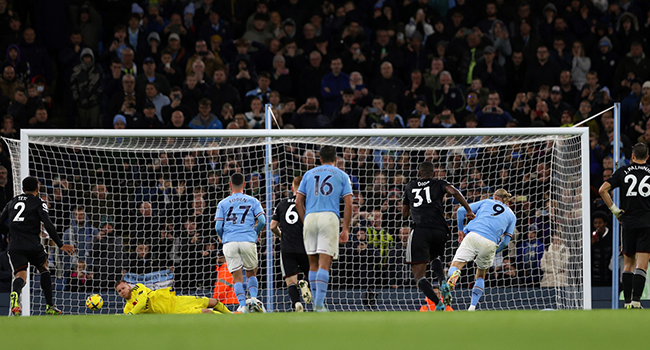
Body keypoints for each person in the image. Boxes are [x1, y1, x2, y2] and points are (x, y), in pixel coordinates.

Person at [402, 161, 475, 312]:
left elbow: (404, 214)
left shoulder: (410, 186)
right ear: (433, 173)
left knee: (419, 277)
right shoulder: (439, 183)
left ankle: (439, 303)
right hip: (440, 229)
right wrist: (468, 209)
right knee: (434, 256)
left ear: (419, 173)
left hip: (421, 229)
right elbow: (454, 191)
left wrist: (415, 207)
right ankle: (442, 281)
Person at [0, 176, 75, 316]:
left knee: (20, 276)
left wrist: (10, 233)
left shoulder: (12, 202)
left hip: (15, 245)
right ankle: (50, 306)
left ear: (22, 189)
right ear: (37, 188)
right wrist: (60, 244)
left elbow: (0, 222)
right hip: (33, 244)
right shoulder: (39, 202)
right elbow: (48, 224)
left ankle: (15, 295)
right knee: (44, 268)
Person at [296, 146, 353, 312]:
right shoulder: (342, 175)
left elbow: (298, 201)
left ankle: (316, 305)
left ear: (319, 159)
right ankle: (319, 305)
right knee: (324, 263)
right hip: (329, 217)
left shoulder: (308, 174)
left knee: (312, 263)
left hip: (311, 217)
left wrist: (305, 219)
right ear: (335, 158)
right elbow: (348, 203)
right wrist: (346, 229)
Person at [443, 189, 516, 311]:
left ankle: (455, 274)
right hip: (490, 243)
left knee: (455, 265)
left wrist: (460, 229)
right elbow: (505, 242)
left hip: (473, 235)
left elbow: (461, 211)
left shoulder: (487, 202)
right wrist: (494, 251)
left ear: (496, 198)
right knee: (481, 276)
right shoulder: (512, 216)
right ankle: (472, 307)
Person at [599, 143, 650, 309]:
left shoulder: (622, 171)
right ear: (647, 157)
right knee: (642, 264)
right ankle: (636, 301)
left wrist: (615, 211)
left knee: (628, 263)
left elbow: (602, 190)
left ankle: (627, 302)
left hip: (627, 222)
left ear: (632, 157)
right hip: (647, 222)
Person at [215, 172, 265, 313]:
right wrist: (254, 233)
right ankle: (254, 300)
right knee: (251, 273)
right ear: (244, 184)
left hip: (230, 242)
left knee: (237, 277)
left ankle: (243, 306)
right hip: (247, 240)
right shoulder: (253, 201)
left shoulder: (222, 203)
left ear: (230, 185)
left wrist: (222, 236)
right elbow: (262, 221)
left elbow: (218, 226)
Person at [270, 176, 312, 312]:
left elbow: (272, 226)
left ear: (292, 188)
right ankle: (306, 283)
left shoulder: (281, 204)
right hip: (305, 245)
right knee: (312, 274)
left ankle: (296, 304)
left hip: (287, 247)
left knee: (291, 281)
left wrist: (282, 235)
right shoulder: (308, 203)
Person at [115, 280, 230, 314]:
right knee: (206, 312)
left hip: (175, 301)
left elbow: (141, 302)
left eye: (123, 288)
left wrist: (130, 314)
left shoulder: (139, 288)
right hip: (172, 313)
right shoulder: (127, 308)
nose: (122, 292)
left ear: (128, 286)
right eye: (119, 291)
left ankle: (231, 315)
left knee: (211, 301)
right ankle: (228, 320)